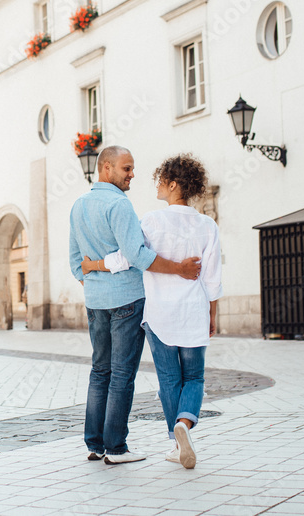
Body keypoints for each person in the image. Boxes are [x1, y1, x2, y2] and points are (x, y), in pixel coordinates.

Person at [83, 154, 222, 469]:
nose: (156, 185)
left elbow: (126, 257)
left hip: (159, 314)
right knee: (195, 377)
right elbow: (212, 277)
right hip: (193, 312)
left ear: (172, 184)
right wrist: (213, 313)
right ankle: (184, 425)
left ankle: (176, 443)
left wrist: (92, 265)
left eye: (160, 180)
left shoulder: (151, 221)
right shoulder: (207, 225)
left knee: (170, 379)